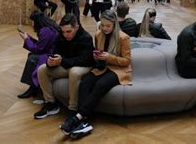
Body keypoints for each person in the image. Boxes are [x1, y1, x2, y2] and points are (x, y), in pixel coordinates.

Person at [60, 10, 131, 139]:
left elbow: (126, 61)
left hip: (118, 71)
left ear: (114, 24)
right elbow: (98, 55)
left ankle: (78, 118)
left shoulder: (123, 37)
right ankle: (85, 122)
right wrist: (96, 56)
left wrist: (109, 57)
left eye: (108, 26)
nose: (104, 28)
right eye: (102, 25)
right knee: (86, 82)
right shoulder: (98, 34)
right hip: (102, 67)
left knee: (100, 85)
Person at [34, 14, 94, 119]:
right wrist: (50, 61)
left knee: (74, 72)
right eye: (63, 32)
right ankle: (51, 104)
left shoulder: (86, 37)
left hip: (84, 66)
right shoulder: (61, 36)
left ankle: (73, 108)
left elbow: (85, 60)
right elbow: (55, 53)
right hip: (66, 65)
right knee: (42, 69)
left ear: (77, 27)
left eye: (69, 31)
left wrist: (62, 60)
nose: (66, 35)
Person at [17, 11, 59, 98]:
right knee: (32, 56)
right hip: (52, 52)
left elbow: (38, 49)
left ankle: (32, 88)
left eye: (32, 21)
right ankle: (33, 86)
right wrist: (29, 39)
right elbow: (42, 45)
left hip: (52, 55)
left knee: (32, 58)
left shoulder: (45, 31)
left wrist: (26, 39)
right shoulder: (48, 27)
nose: (31, 23)